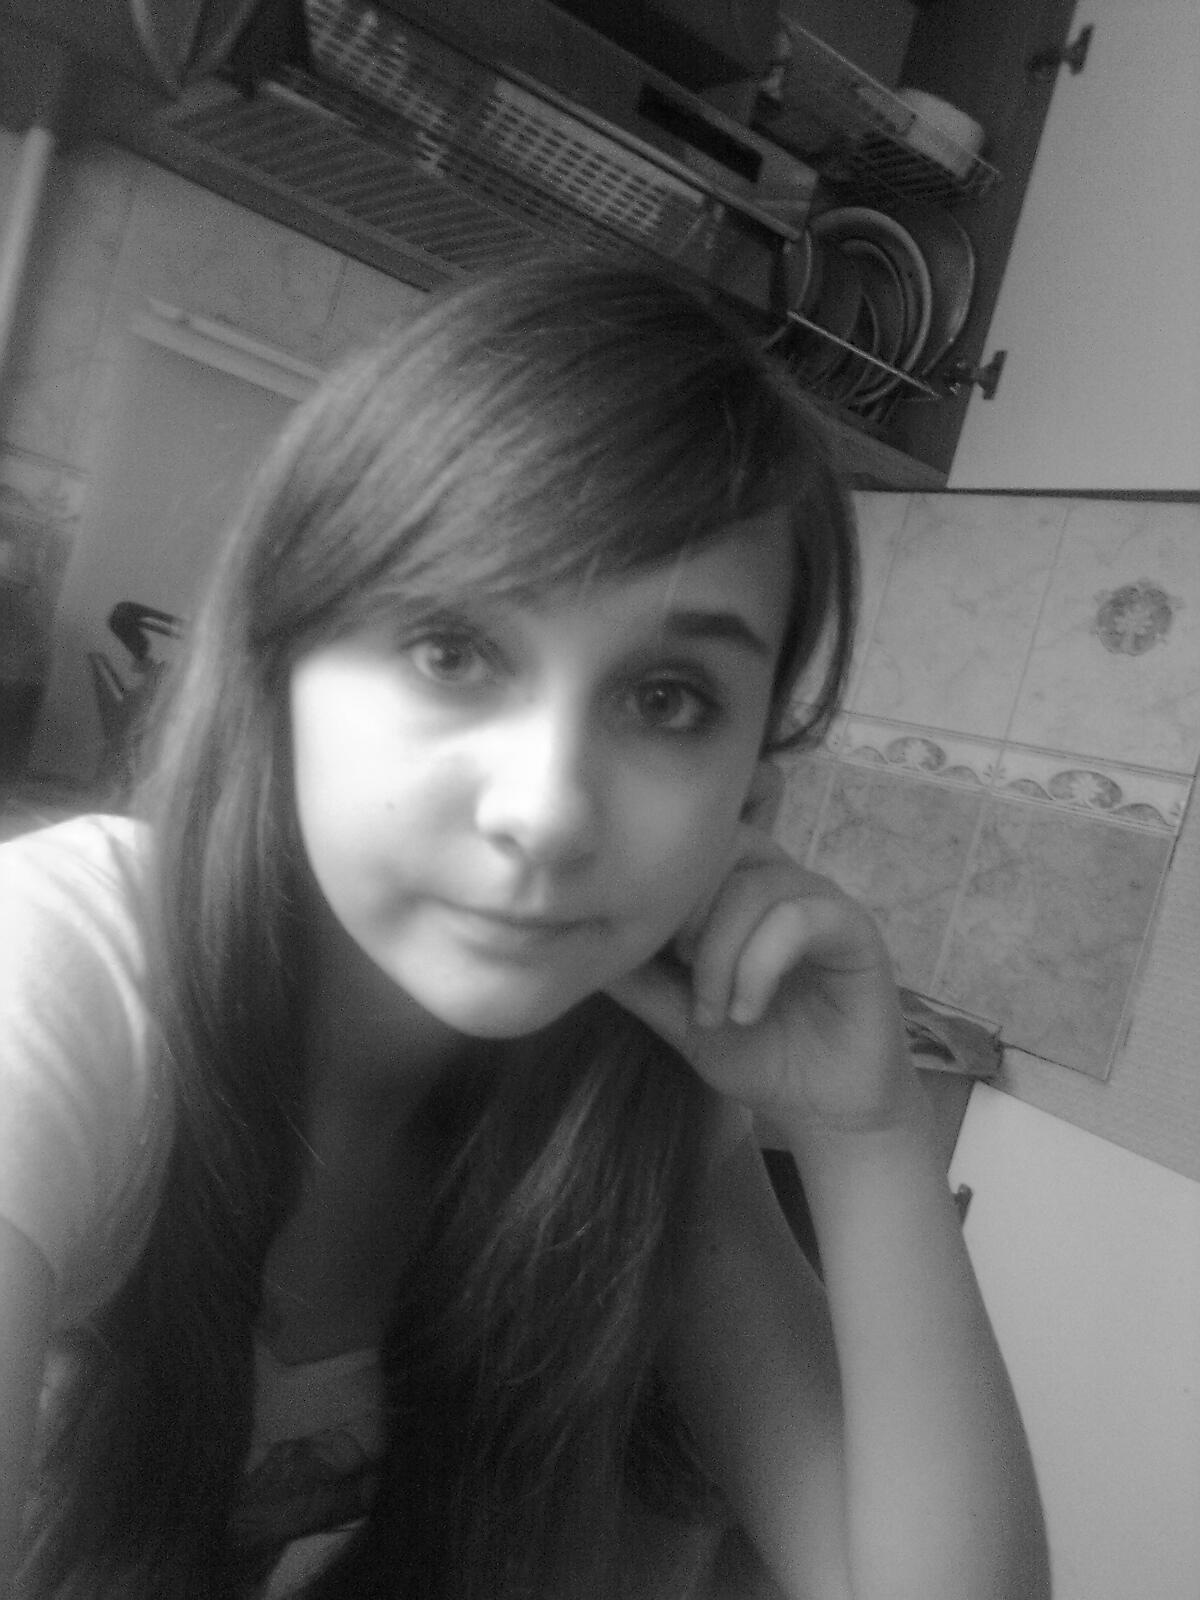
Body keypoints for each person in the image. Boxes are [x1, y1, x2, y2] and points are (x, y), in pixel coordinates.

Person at [0, 256, 1049, 1600]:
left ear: (749, 796)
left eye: (667, 700)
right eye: (452, 653)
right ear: (278, 674)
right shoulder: (68, 969)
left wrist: (870, 1134)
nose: (548, 810)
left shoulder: (631, 1097)